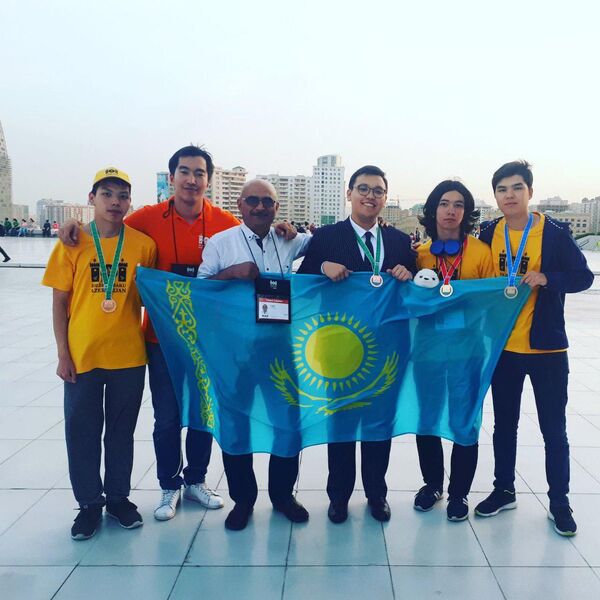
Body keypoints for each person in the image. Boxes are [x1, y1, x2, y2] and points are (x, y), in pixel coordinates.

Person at [60, 146, 297, 523]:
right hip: (161, 338)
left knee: (204, 413)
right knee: (167, 416)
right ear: (172, 178)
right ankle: (169, 484)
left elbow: (260, 234)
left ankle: (196, 480)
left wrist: (284, 228)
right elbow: (109, 225)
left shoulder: (222, 222)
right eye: (184, 171)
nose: (191, 179)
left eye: (199, 173)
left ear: (208, 180)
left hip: (211, 341)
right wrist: (73, 226)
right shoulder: (146, 219)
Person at [475, 160, 593, 536]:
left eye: (516, 188)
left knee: (553, 429)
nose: (509, 195)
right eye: (502, 189)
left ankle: (559, 502)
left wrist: (548, 278)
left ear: (530, 191)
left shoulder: (553, 233)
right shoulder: (488, 232)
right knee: (504, 425)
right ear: (495, 196)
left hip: (547, 350)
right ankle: (504, 490)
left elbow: (583, 276)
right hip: (504, 349)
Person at [42, 167, 156, 540]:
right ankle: (89, 504)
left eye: (122, 196)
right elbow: (60, 303)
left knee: (121, 433)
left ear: (130, 202)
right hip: (83, 356)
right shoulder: (72, 242)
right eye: (107, 194)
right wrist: (63, 353)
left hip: (128, 356)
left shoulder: (142, 245)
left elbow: (149, 298)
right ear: (92, 198)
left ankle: (119, 499)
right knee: (82, 432)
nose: (115, 202)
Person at [298, 164, 416, 524]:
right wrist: (322, 267)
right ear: (349, 193)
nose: (370, 196)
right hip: (338, 351)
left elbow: (412, 294)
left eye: (378, 190)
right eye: (363, 188)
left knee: (379, 424)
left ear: (385, 197)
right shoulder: (325, 237)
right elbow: (302, 284)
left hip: (386, 349)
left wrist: (408, 274)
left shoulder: (398, 242)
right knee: (342, 425)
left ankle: (377, 493)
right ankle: (339, 496)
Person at [197, 179, 312, 530]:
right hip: (235, 353)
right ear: (240, 205)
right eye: (252, 200)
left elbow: (326, 242)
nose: (260, 207)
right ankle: (243, 500)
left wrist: (297, 231)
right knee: (235, 424)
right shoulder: (221, 243)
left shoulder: (290, 240)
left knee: (287, 422)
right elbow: (200, 290)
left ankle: (282, 496)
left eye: (267, 201)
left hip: (279, 351)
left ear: (276, 207)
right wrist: (232, 273)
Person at [412, 180, 494, 521]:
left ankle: (459, 492)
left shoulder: (481, 252)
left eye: (458, 204)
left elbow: (491, 300)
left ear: (466, 212)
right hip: (427, 351)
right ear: (433, 211)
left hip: (467, 351)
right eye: (444, 203)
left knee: (465, 420)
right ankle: (433, 484)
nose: (451, 210)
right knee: (427, 418)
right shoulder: (419, 254)